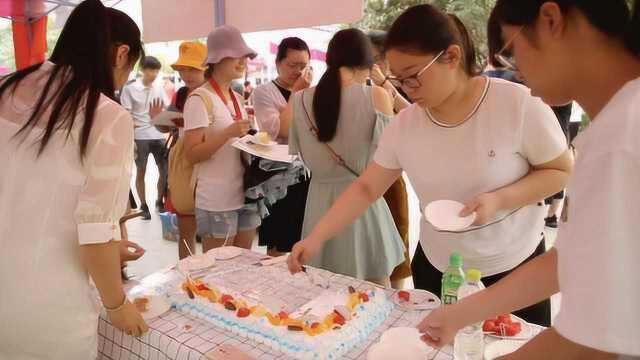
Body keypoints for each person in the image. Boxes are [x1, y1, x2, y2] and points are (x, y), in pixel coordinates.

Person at [288, 5, 573, 327]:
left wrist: (500, 199)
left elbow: (561, 170)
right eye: (399, 79)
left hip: (514, 266)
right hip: (440, 268)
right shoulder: (405, 125)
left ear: (451, 57)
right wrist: (316, 238)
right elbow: (367, 188)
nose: (406, 89)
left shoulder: (517, 104)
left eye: (413, 77)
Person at [418, 1, 640, 358]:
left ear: (551, 20)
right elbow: (568, 258)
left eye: (512, 57)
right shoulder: (618, 125)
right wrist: (460, 313)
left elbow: (591, 345)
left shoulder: (622, 137)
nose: (521, 77)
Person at [0, 1, 148, 358]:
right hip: (46, 309)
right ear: (121, 54)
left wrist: (109, 247)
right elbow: (94, 236)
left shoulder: (6, 86)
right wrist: (117, 306)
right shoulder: (107, 117)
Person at [287, 28, 405, 286]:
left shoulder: (300, 100)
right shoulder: (377, 96)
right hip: (363, 202)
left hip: (318, 204)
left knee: (323, 293)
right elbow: (391, 155)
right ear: (366, 61)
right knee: (375, 294)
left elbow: (289, 142)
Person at [183, 25, 260, 252]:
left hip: (246, 193)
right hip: (216, 199)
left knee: (243, 265)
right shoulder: (199, 99)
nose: (242, 62)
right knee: (217, 269)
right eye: (235, 56)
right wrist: (227, 133)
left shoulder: (237, 97)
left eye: (244, 56)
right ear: (217, 59)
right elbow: (192, 154)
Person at [251, 37, 313, 257]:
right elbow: (281, 130)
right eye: (292, 65)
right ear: (278, 63)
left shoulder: (310, 92)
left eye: (303, 66)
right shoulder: (263, 92)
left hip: (307, 175)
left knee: (305, 241)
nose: (298, 71)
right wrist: (296, 93)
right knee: (279, 244)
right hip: (278, 179)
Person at [153, 41, 208, 259]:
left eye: (193, 69)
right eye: (183, 69)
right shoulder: (182, 93)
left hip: (209, 162)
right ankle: (188, 279)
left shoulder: (215, 94)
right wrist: (158, 119)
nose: (187, 74)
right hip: (184, 163)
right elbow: (164, 126)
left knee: (215, 233)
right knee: (186, 229)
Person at [367, 30, 412, 289]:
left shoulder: (401, 84)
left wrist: (387, 86)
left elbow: (417, 116)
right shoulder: (359, 89)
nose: (375, 66)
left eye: (380, 59)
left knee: (397, 242)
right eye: (371, 59)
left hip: (392, 179)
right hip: (364, 177)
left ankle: (398, 298)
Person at [120, 55, 170, 219]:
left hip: (158, 134)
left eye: (156, 70)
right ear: (142, 70)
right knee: (141, 171)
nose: (154, 73)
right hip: (140, 136)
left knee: (164, 171)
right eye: (151, 70)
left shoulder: (159, 88)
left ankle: (159, 201)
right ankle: (143, 205)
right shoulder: (130, 89)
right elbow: (126, 112)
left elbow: (166, 109)